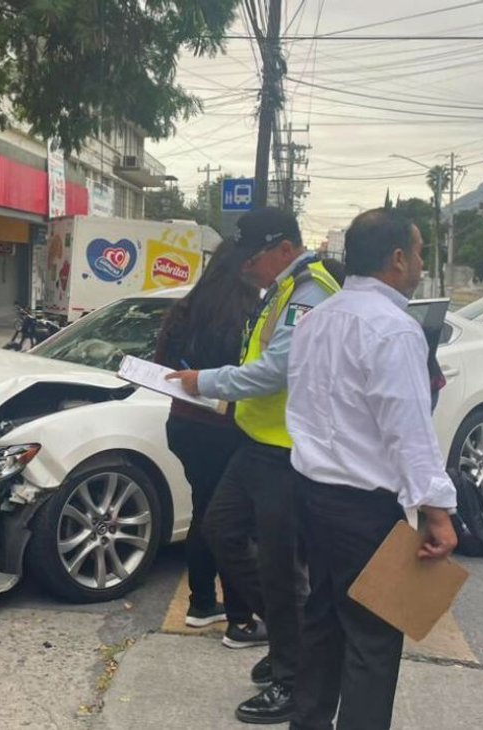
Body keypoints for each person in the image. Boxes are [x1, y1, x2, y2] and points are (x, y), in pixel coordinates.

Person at [284, 208, 458, 730]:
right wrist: (438, 511)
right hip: (364, 506)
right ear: (397, 257)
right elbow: (407, 428)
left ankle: (308, 721)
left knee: (322, 623)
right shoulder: (394, 328)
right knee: (374, 640)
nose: (422, 263)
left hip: (311, 492)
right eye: (421, 251)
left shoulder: (317, 319)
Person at [168, 207, 342, 724]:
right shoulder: (285, 289)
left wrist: (205, 382)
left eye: (255, 255)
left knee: (280, 567)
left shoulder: (311, 294)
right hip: (258, 441)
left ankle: (295, 676)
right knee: (223, 531)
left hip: (288, 451)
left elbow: (273, 372)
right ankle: (294, 642)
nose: (246, 265)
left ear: (285, 249)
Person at [153, 239, 262, 631]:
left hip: (183, 424)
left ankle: (201, 603)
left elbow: (161, 363)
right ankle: (240, 619)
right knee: (233, 523)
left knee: (205, 511)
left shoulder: (184, 309)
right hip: (227, 427)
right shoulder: (251, 312)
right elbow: (256, 374)